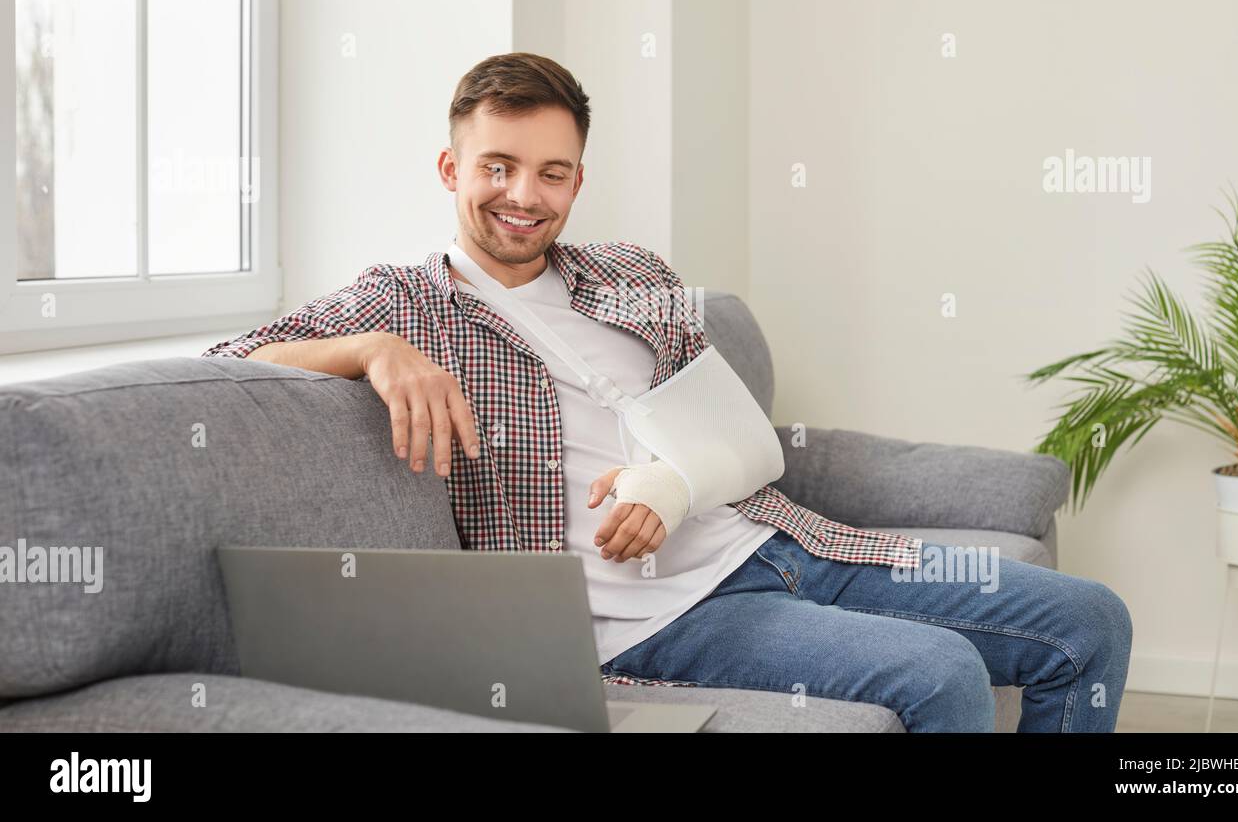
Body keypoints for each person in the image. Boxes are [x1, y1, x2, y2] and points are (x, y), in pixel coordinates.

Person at [203, 52, 1132, 732]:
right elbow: (226, 359)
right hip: (662, 618)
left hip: (782, 541)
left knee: (1090, 620)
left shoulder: (628, 271)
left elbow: (731, 436)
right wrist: (370, 350)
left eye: (551, 172)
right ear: (452, 170)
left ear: (577, 180)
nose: (523, 194)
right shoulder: (404, 300)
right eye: (497, 166)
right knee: (940, 673)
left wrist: (672, 483)